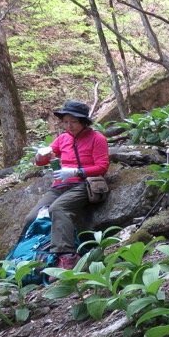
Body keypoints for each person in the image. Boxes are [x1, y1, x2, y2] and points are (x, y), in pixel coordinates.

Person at [26, 100, 110, 270]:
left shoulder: (97, 138)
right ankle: (30, 254)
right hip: (60, 185)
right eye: (65, 121)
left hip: (85, 184)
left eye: (73, 121)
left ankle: (67, 257)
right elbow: (43, 161)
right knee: (32, 217)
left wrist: (75, 171)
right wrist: (40, 156)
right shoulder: (62, 139)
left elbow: (102, 167)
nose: (69, 126)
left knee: (58, 208)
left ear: (83, 122)